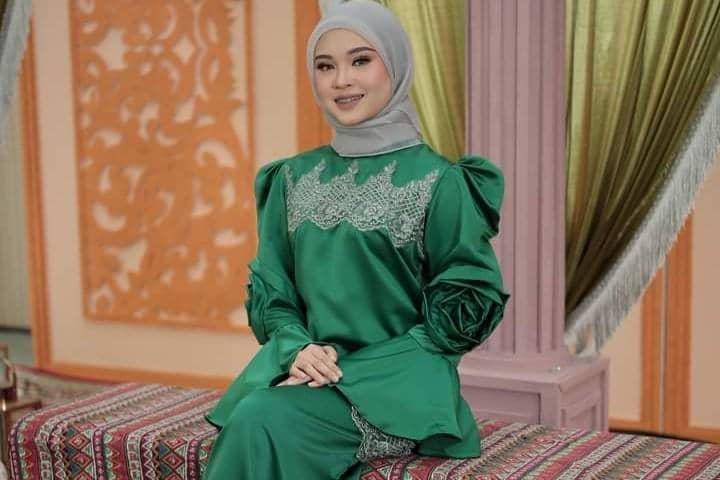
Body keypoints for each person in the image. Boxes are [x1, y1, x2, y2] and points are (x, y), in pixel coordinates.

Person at [203, 1, 508, 478]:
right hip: (308, 376)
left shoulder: (441, 182)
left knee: (260, 418)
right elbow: (273, 293)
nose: (341, 80)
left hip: (399, 387)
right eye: (325, 66)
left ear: (396, 65)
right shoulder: (290, 178)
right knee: (261, 415)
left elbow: (462, 309)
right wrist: (297, 350)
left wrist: (347, 375)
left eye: (361, 60)